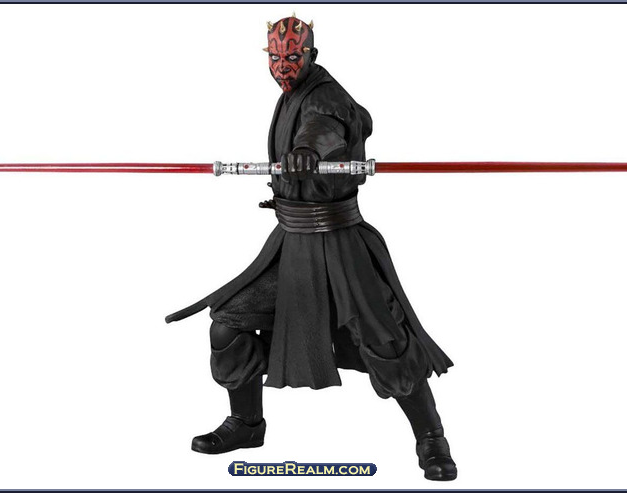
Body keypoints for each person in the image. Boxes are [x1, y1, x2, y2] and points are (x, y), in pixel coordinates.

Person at [165, 15, 457, 481]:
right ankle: (247, 424)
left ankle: (431, 438)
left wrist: (308, 151)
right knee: (228, 325)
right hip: (291, 242)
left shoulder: (324, 96)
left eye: (293, 57)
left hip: (341, 244)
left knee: (386, 340)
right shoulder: (291, 95)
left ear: (311, 56)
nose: (283, 65)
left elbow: (327, 125)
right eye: (275, 57)